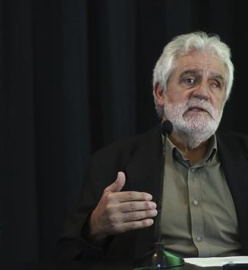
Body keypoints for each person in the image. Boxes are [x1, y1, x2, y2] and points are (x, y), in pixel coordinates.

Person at [56, 31, 248, 265]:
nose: (202, 93)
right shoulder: (113, 162)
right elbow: (68, 257)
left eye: (215, 84)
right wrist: (95, 227)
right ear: (160, 93)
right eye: (189, 80)